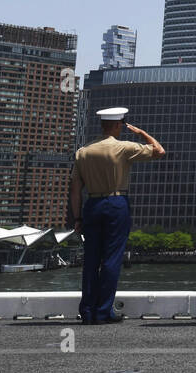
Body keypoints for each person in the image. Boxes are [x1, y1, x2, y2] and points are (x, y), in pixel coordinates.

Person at [70, 107, 165, 324]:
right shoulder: (123, 147)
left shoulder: (83, 151)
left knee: (91, 260)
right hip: (116, 203)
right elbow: (159, 151)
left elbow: (75, 189)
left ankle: (87, 311)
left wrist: (77, 218)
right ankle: (103, 311)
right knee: (112, 259)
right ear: (117, 125)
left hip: (92, 204)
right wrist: (141, 133)